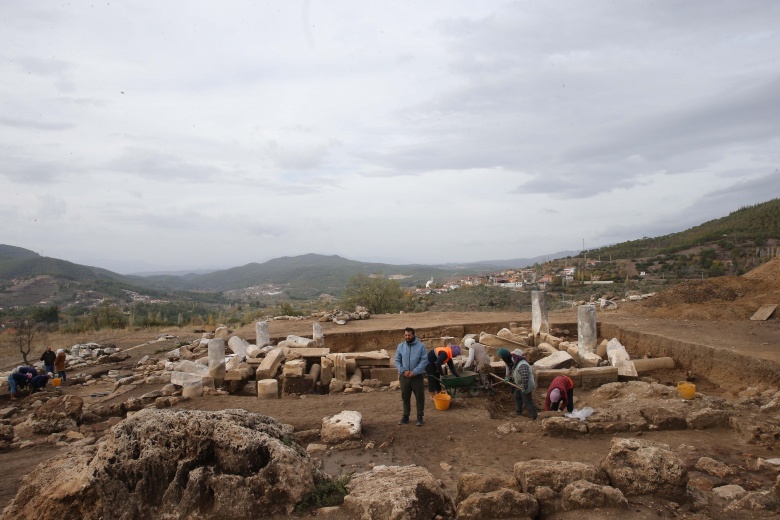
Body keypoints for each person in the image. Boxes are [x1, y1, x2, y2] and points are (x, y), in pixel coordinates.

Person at [394, 327, 428, 426]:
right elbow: (397, 360)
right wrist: (403, 371)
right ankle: (405, 416)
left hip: (417, 376)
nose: (407, 337)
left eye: (409, 335)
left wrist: (415, 372)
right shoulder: (400, 346)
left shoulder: (421, 346)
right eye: (406, 335)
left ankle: (420, 417)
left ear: (413, 335)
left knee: (419, 397)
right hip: (404, 376)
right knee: (405, 396)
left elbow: (424, 361)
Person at [510, 350, 537, 419]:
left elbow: (525, 377)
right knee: (517, 397)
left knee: (527, 401)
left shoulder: (522, 365)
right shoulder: (518, 363)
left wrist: (524, 387)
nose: (512, 358)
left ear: (517, 357)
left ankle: (533, 416)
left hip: (525, 386)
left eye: (513, 356)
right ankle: (518, 412)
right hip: (519, 385)